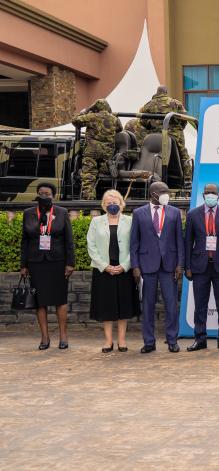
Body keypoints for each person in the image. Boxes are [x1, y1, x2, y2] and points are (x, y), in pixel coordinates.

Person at [19, 183, 75, 350]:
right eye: (41, 193)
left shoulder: (62, 212)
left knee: (60, 300)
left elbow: (69, 240)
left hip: (57, 262)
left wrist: (70, 263)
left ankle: (63, 336)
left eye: (48, 193)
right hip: (36, 263)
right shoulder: (29, 214)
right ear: (37, 195)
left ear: (53, 196)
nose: (44, 196)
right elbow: (25, 241)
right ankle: (45, 337)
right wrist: (23, 265)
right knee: (40, 302)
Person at [131, 181, 184, 353]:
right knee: (147, 305)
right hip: (147, 266)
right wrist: (135, 266)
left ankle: (172, 340)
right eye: (163, 192)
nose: (166, 195)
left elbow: (179, 241)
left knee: (171, 305)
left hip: (169, 266)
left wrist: (180, 265)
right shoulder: (138, 213)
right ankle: (148, 342)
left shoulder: (175, 213)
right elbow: (134, 243)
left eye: (167, 192)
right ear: (153, 194)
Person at [184, 183, 219, 352]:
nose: (210, 195)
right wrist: (187, 266)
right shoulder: (193, 214)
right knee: (200, 305)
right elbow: (188, 242)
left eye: (213, 193)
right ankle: (200, 339)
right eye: (207, 193)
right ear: (203, 195)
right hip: (199, 267)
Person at [86, 190, 137, 352]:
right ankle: (108, 341)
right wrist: (104, 265)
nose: (112, 204)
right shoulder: (96, 222)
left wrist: (125, 265)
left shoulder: (130, 221)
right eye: (108, 202)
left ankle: (122, 340)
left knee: (123, 305)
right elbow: (91, 246)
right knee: (106, 306)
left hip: (124, 269)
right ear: (103, 205)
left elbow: (135, 245)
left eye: (115, 201)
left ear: (121, 203)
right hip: (103, 270)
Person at [139, 85, 192, 184]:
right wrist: (178, 128)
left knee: (153, 156)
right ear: (166, 92)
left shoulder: (148, 105)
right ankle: (188, 180)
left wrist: (152, 127)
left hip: (155, 136)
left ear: (157, 92)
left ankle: (151, 178)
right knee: (183, 155)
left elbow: (142, 121)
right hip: (174, 134)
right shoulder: (175, 103)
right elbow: (185, 119)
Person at [72, 99, 122, 199]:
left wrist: (86, 111)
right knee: (104, 175)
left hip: (92, 152)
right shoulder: (114, 119)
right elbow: (120, 129)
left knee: (88, 176)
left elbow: (75, 120)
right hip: (107, 153)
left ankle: (88, 203)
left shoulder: (92, 117)